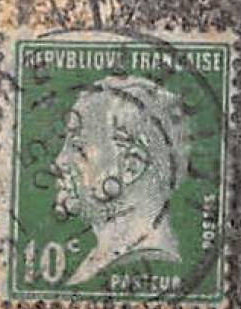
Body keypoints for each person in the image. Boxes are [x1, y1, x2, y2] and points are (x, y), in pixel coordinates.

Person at [51, 75, 189, 286]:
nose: (58, 162)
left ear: (130, 167)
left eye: (78, 148)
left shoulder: (146, 262)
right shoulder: (102, 262)